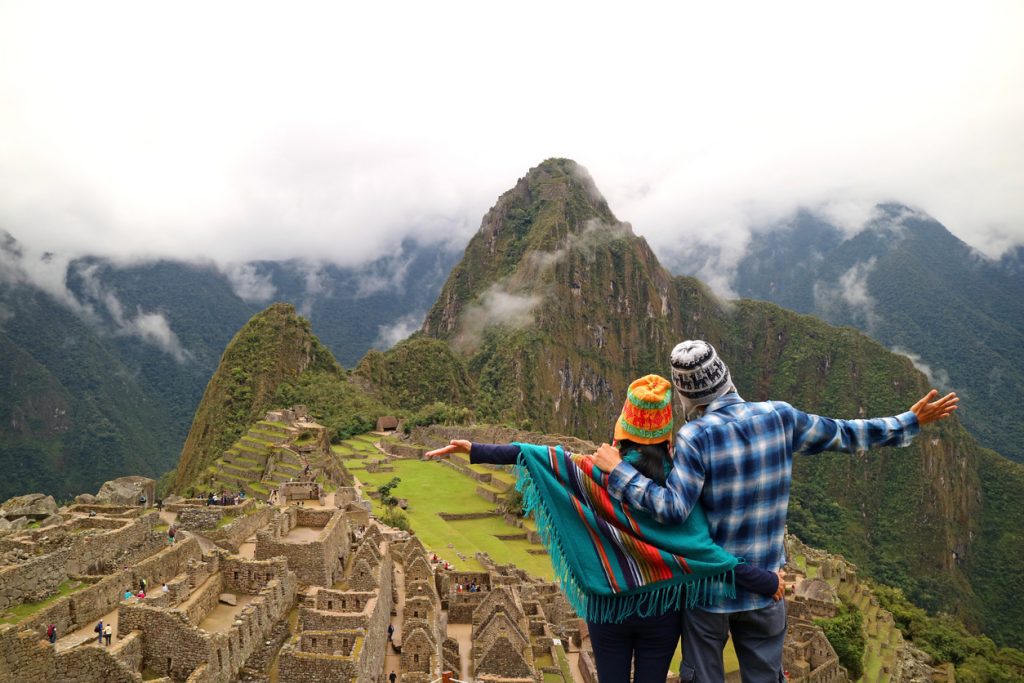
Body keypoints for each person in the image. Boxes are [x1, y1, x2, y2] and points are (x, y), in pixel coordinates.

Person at [594, 340, 959, 683]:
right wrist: (908, 422)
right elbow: (845, 434)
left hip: (709, 595)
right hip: (766, 590)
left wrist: (620, 472)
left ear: (686, 398)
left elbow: (672, 509)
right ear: (727, 378)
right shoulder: (780, 417)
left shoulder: (696, 437)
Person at [427, 375, 782, 683]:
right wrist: (766, 581)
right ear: (667, 440)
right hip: (661, 609)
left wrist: (475, 449)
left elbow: (541, 456)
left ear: (621, 434)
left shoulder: (591, 474)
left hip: (606, 608)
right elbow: (706, 554)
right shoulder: (678, 485)